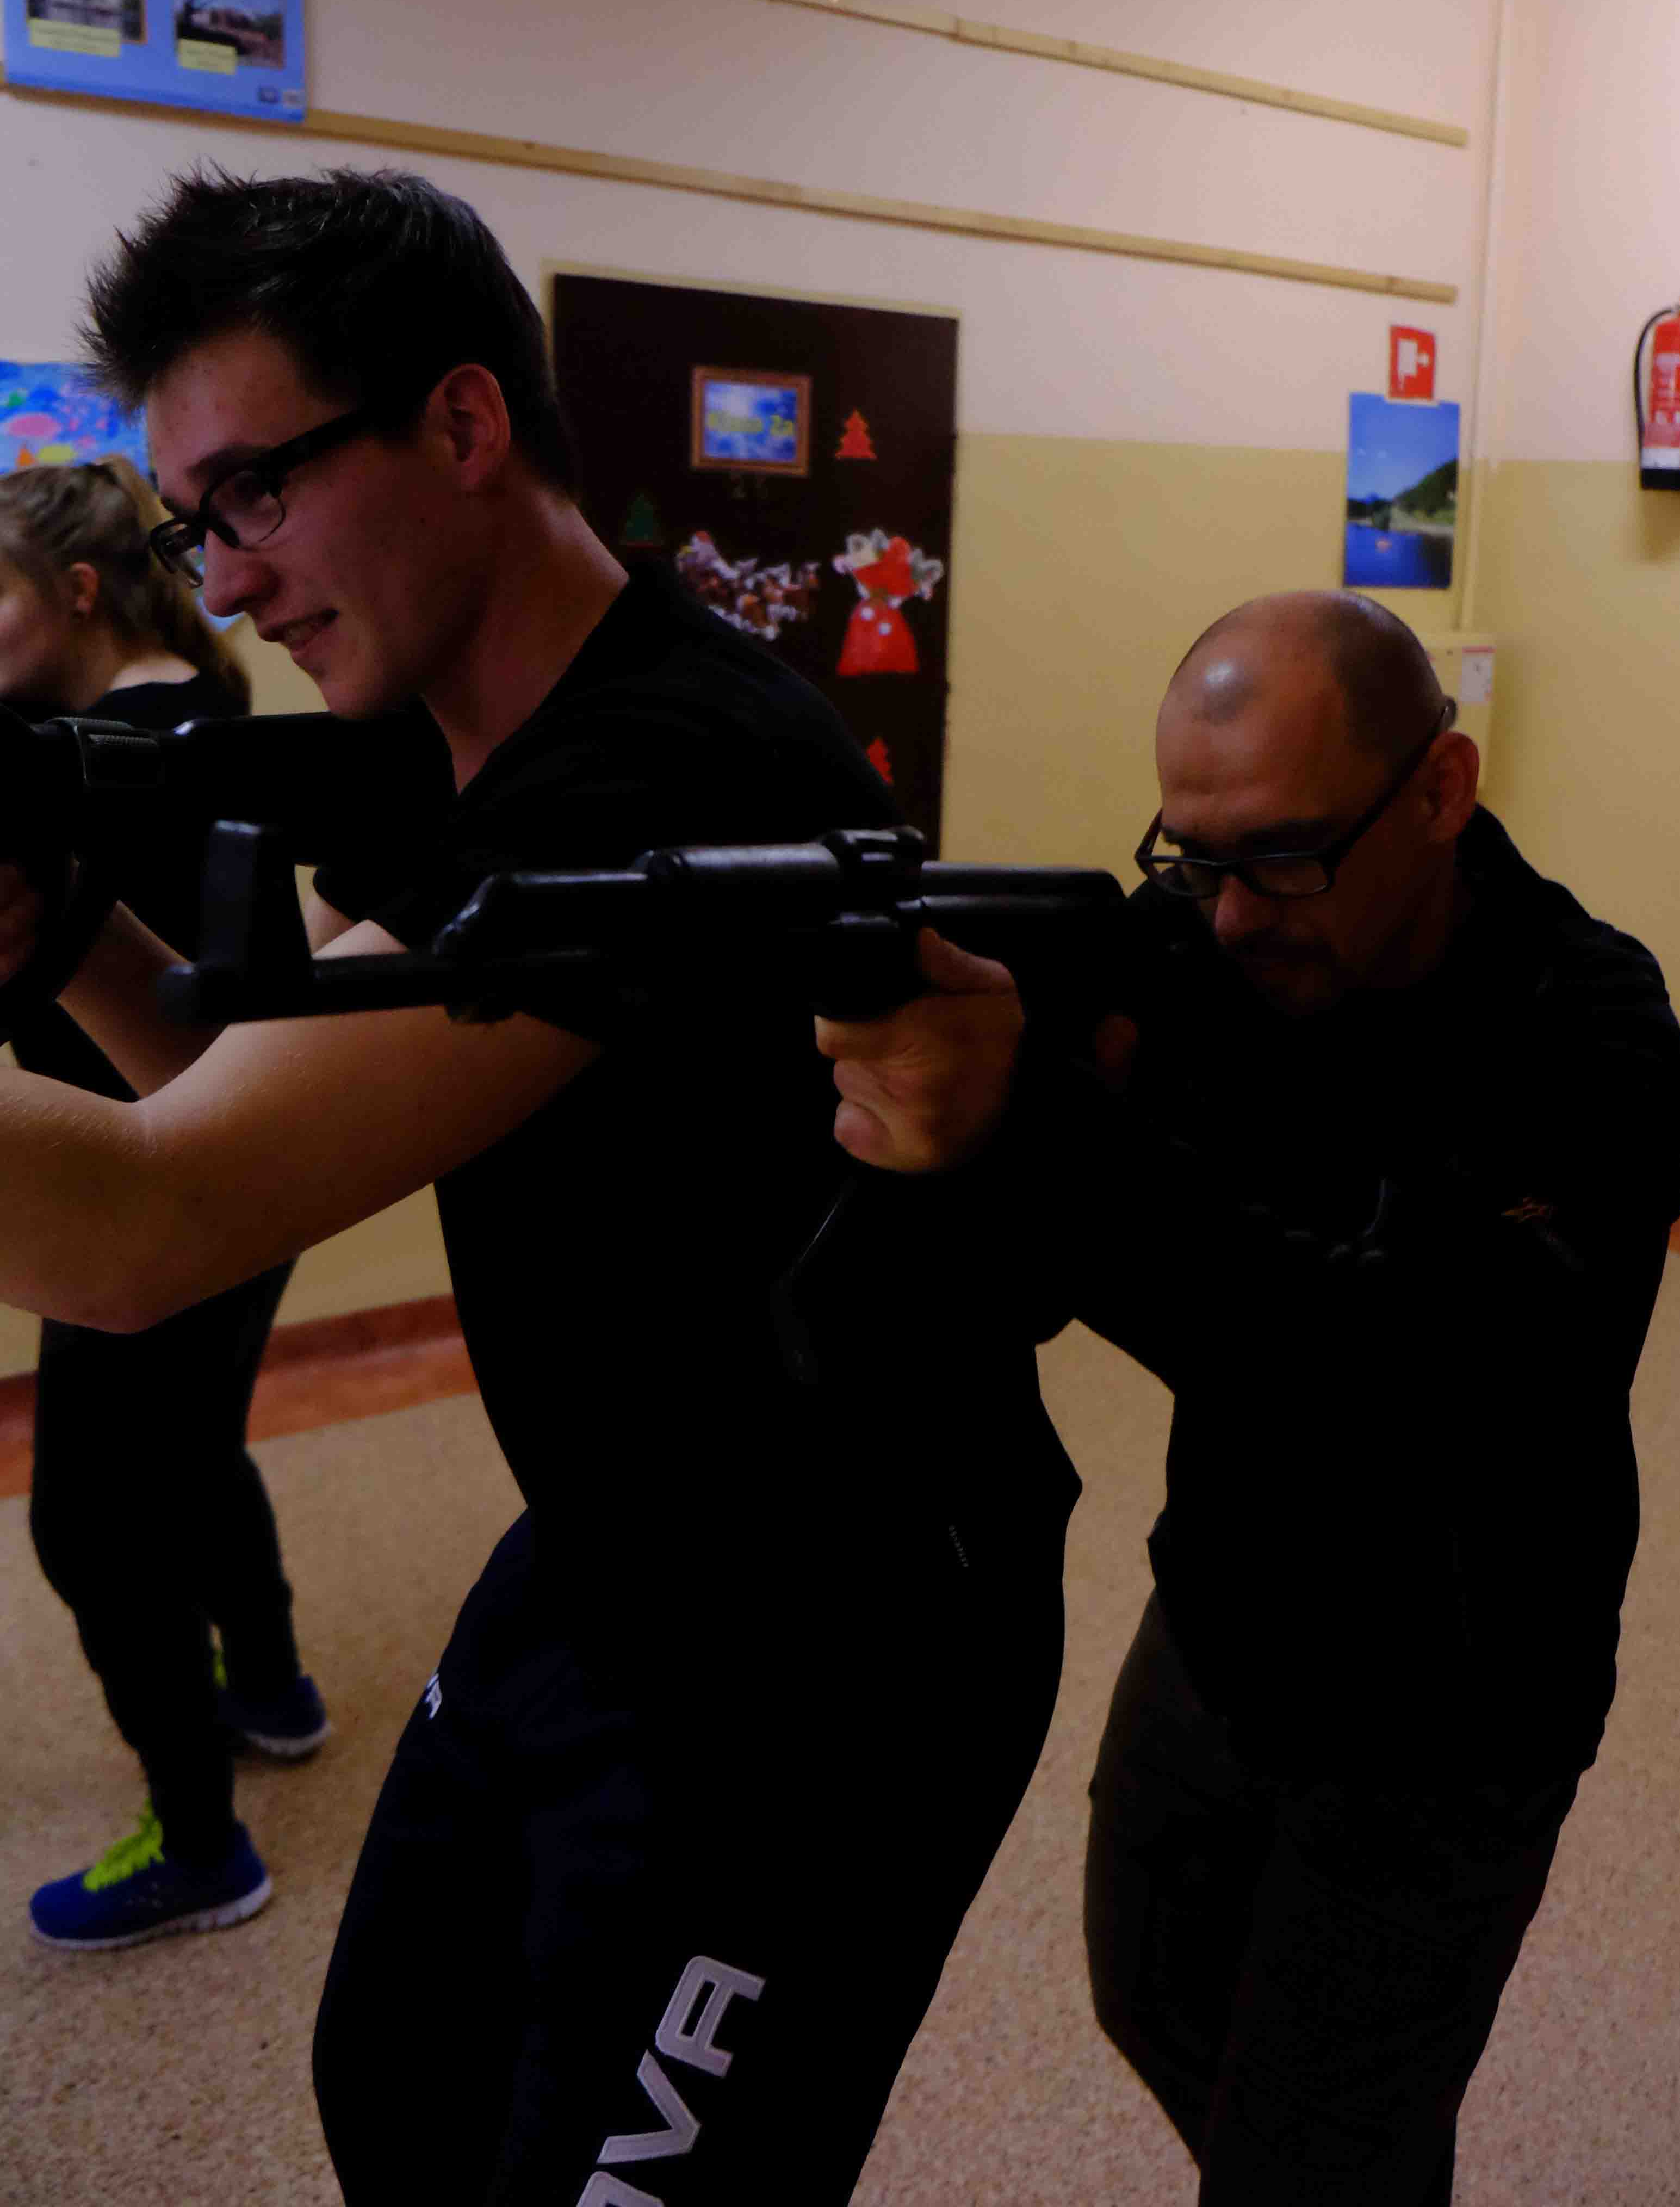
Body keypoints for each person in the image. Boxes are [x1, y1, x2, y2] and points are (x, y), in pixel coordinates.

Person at [0, 167, 1077, 2200]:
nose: (223, 584)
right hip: (608, 1541)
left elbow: (149, 1229)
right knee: (395, 2091)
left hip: (830, 1641)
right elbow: (246, 1114)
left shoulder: (661, 770)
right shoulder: (471, 733)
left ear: (465, 424)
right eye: (192, 523)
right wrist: (63, 934)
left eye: (254, 495)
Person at [816, 590, 1680, 2206]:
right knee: (1152, 1997)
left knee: (1317, 2153)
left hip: (1453, 1706)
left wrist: (1042, 1134)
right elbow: (1019, 1281)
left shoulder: (1591, 1028)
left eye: (1284, 857)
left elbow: (1399, 1368)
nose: (1230, 918)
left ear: (1440, 790)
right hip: (1221, 1620)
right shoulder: (1195, 950)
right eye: (1193, 856)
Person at [0, 458, 326, 1954]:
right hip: (243, 1161)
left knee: (90, 1521)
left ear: (74, 592)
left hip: (143, 1181)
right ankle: (270, 1687)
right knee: (194, 1451)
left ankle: (199, 1843)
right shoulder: (211, 712)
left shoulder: (95, 759)